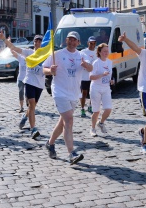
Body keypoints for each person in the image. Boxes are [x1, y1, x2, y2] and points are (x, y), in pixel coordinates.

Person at [43, 31, 92, 164]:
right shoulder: (57, 55)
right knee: (69, 121)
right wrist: (50, 71)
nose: (71, 42)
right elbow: (44, 68)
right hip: (59, 92)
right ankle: (71, 153)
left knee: (63, 122)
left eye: (74, 40)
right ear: (66, 41)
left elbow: (90, 67)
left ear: (78, 42)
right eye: (69, 40)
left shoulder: (82, 55)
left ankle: (50, 143)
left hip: (74, 93)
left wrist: (86, 65)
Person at [0, 31, 44, 139]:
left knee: (33, 106)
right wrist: (4, 39)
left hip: (40, 84)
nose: (37, 42)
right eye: (35, 41)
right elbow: (14, 48)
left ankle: (25, 116)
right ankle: (33, 129)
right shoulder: (28, 52)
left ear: (42, 43)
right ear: (33, 43)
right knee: (31, 105)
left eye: (39, 41)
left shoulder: (45, 55)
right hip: (29, 81)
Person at [89, 43, 114, 137]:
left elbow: (109, 75)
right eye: (104, 51)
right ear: (99, 52)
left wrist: (111, 80)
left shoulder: (110, 62)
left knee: (108, 109)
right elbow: (91, 77)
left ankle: (101, 123)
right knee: (96, 111)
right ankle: (92, 128)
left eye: (107, 51)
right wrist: (102, 75)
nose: (106, 53)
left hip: (106, 87)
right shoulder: (96, 63)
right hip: (96, 87)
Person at [80, 36, 97, 117]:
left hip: (93, 76)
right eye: (91, 43)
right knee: (84, 93)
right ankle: (82, 108)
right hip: (84, 76)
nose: (92, 45)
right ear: (88, 43)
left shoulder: (97, 53)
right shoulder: (83, 52)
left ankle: (90, 106)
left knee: (92, 93)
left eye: (93, 43)